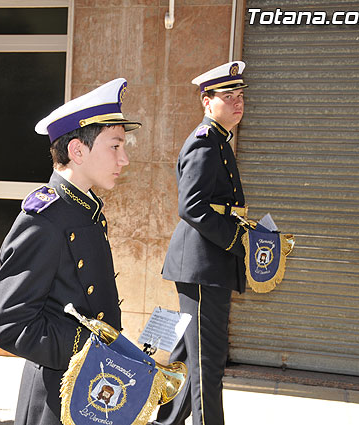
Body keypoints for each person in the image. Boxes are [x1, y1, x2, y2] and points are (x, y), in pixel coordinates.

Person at [0, 78, 141, 425]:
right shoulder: (45, 219)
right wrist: (90, 345)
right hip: (56, 397)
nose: (125, 159)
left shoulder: (85, 207)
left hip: (87, 391)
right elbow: (9, 324)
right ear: (77, 151)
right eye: (115, 146)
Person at [152, 61, 248, 425]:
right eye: (228, 96)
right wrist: (238, 240)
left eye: (240, 96)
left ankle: (166, 421)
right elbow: (191, 207)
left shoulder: (219, 140)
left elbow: (220, 206)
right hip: (203, 264)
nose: (237, 103)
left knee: (192, 355)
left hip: (209, 262)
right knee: (208, 362)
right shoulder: (205, 143)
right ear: (207, 102)